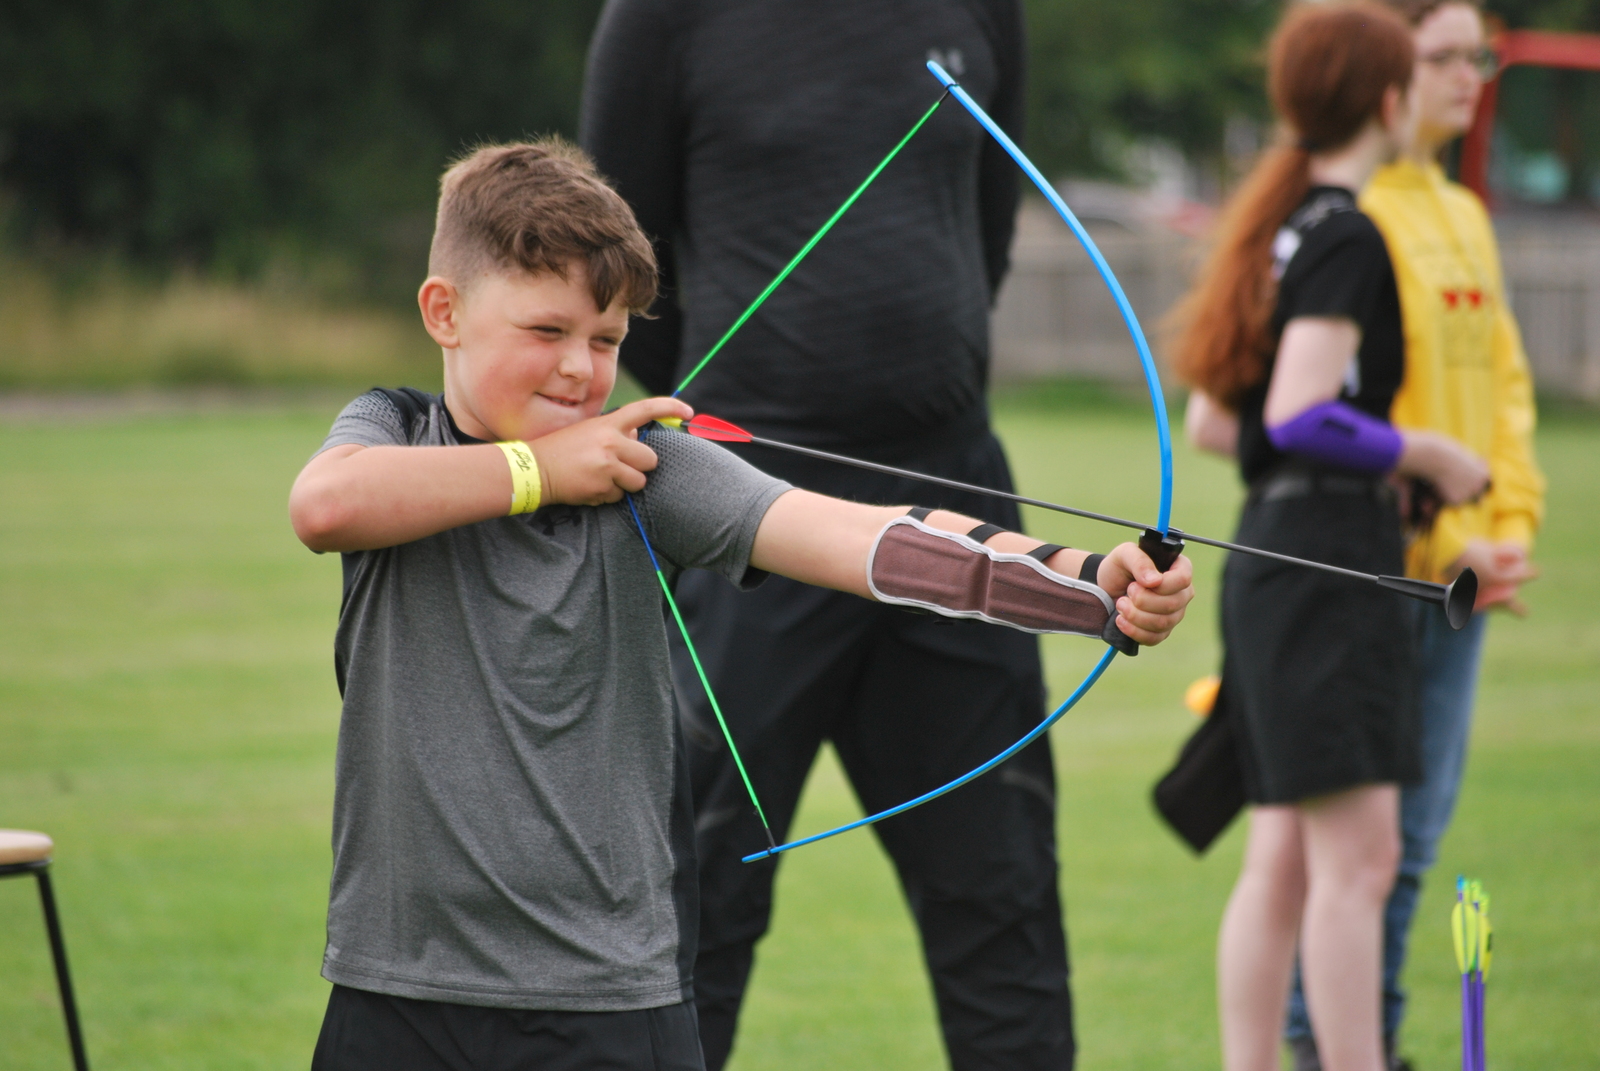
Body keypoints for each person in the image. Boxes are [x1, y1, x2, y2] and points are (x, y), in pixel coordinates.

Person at [288, 138, 1196, 1071]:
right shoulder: (394, 432)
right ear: (445, 313)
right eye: (545, 331)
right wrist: (541, 469)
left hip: (605, 1000)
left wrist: (1086, 583)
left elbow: (860, 536)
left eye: (606, 341)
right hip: (395, 988)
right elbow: (324, 507)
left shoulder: (649, 470)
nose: (579, 369)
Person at [578, 5, 1088, 1069]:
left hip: (952, 492)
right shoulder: (664, 17)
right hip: (744, 519)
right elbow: (618, 277)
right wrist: (743, 441)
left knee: (1003, 906)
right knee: (693, 904)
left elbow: (984, 232)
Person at [1171, 4, 1493, 1071]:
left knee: (1288, 861)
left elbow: (1218, 421)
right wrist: (1427, 456)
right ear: (1388, 98)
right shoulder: (1346, 231)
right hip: (1324, 567)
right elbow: (1298, 413)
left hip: (1276, 555)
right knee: (1358, 861)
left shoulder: (1288, 224)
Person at [1280, 2, 1546, 1067]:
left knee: (1407, 842)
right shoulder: (1353, 217)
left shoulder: (1461, 212)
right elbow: (1330, 419)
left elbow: (1505, 395)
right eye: (1439, 57)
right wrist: (1442, 546)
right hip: (1390, 574)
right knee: (1357, 855)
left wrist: (1506, 531)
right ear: (1385, 76)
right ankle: (1339, 1047)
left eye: (1478, 55)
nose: (1465, 76)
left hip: (1474, 570)